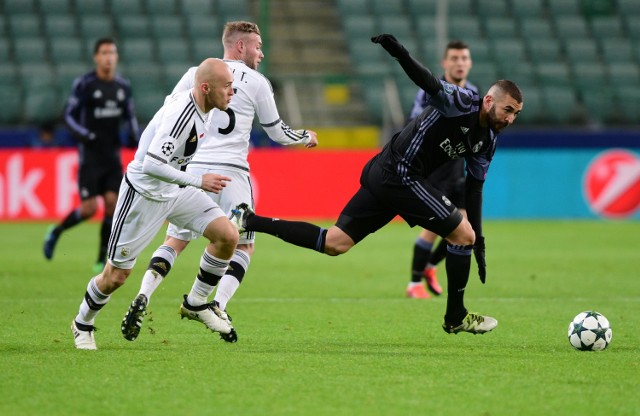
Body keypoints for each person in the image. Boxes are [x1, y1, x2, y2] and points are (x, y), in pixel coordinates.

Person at [230, 34, 524, 335]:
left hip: (386, 172)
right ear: (489, 100)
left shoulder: (488, 141)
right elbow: (429, 82)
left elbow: (474, 189)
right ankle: (455, 316)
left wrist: (480, 243)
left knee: (335, 243)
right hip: (400, 172)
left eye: (516, 113)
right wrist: (400, 52)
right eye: (508, 110)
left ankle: (251, 220)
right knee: (461, 234)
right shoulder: (461, 102)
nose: (511, 118)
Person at [120, 21, 318, 343]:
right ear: (240, 46)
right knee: (243, 244)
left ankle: (144, 293)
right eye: (257, 46)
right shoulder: (256, 82)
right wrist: (305, 135)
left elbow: (170, 111)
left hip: (192, 169)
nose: (261, 54)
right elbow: (276, 131)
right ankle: (216, 304)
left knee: (176, 240)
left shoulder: (197, 74)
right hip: (231, 173)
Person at [71, 58, 239, 350]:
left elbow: (195, 72)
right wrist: (200, 181)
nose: (232, 92)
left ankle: (197, 302)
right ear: (205, 88)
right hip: (144, 196)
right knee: (116, 276)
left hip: (175, 191)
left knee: (227, 236)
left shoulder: (203, 98)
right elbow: (150, 163)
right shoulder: (182, 117)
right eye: (226, 86)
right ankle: (82, 323)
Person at [43, 38, 139, 273]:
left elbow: (130, 115)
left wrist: (134, 136)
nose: (108, 57)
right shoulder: (85, 84)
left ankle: (101, 259)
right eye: (104, 53)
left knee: (110, 205)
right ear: (96, 57)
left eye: (112, 53)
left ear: (116, 57)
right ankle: (56, 231)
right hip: (90, 158)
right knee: (88, 209)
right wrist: (85, 135)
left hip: (111, 157)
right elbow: (68, 115)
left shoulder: (122, 86)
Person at [406, 40, 478, 299]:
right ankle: (414, 284)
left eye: (464, 58)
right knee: (435, 227)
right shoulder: (431, 90)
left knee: (466, 229)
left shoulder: (472, 91)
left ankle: (429, 267)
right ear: (445, 63)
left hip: (458, 169)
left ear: (469, 63)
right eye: (455, 58)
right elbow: (414, 123)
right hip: (435, 168)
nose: (459, 63)